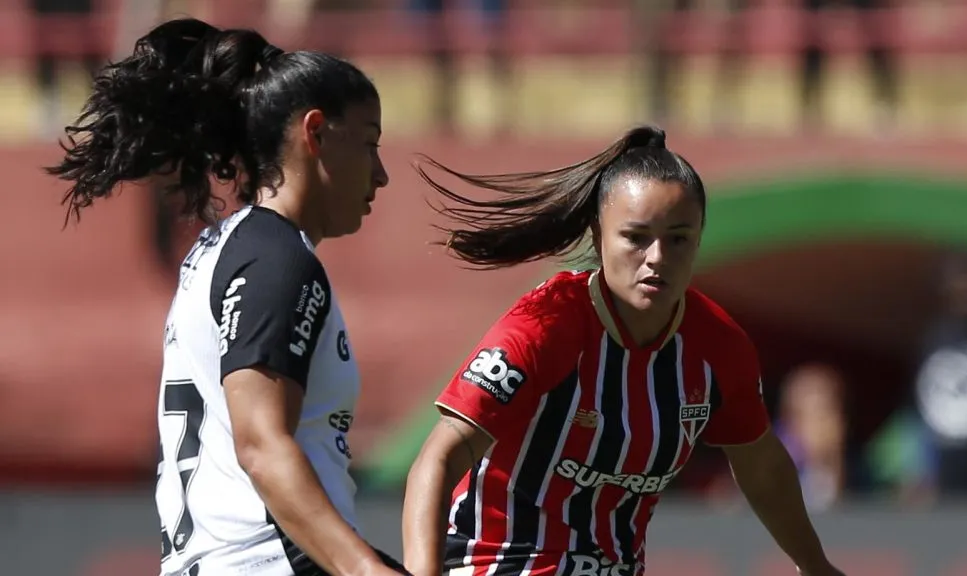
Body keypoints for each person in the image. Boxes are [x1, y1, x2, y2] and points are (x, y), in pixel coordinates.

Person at [46, 17, 409, 576]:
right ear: (314, 132)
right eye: (368, 143)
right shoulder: (276, 259)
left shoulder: (224, 249)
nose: (380, 175)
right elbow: (261, 447)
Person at [400, 126, 846, 576]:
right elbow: (438, 459)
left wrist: (816, 566)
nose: (656, 257)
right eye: (636, 237)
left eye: (678, 239)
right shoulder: (544, 325)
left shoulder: (719, 348)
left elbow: (762, 468)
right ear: (598, 236)